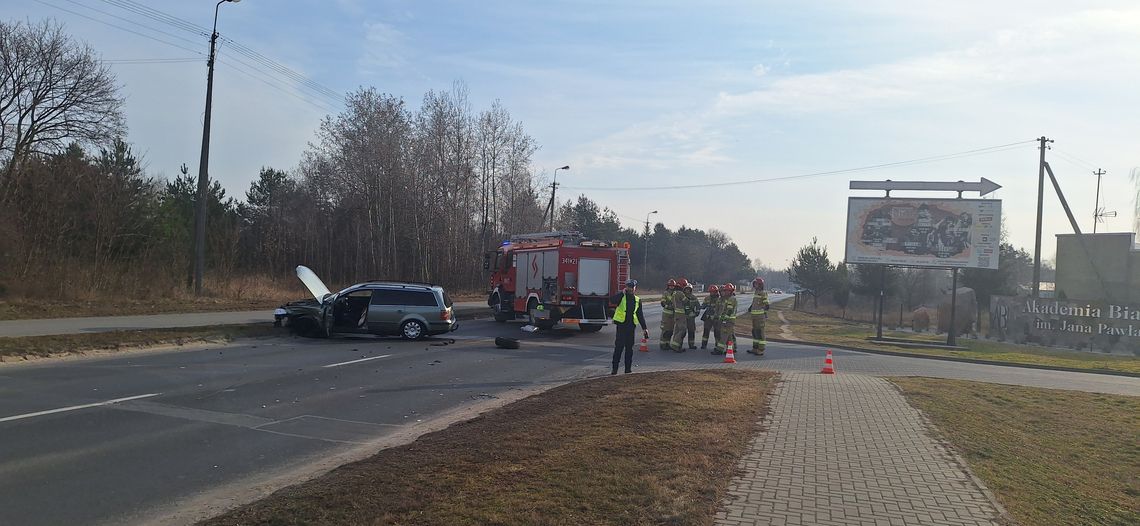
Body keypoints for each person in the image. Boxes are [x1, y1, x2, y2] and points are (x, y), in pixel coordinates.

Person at [611, 279, 649, 374]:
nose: (630, 289)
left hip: (631, 327)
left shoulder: (637, 300)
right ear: (626, 287)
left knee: (629, 348)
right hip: (621, 326)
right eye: (628, 286)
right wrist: (621, 293)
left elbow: (640, 315)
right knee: (619, 347)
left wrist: (645, 328)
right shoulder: (621, 297)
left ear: (635, 288)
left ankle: (628, 370)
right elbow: (612, 300)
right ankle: (614, 369)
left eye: (632, 287)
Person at [748, 277, 770, 356]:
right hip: (754, 316)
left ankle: (761, 349)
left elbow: (766, 304)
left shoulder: (763, 293)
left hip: (760, 317)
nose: (755, 285)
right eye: (754, 284)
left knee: (760, 333)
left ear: (760, 284)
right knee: (755, 332)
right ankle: (755, 348)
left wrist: (765, 308)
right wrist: (751, 307)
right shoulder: (756, 292)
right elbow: (755, 303)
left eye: (756, 284)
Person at [669, 278, 691, 352]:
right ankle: (675, 345)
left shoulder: (674, 293)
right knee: (682, 330)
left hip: (676, 314)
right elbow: (686, 301)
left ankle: (676, 345)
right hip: (681, 314)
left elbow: (672, 303)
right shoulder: (680, 293)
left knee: (677, 330)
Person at [716, 282, 738, 355]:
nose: (726, 292)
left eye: (728, 291)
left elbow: (729, 310)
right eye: (726, 290)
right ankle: (732, 348)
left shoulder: (731, 299)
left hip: (728, 320)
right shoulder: (728, 299)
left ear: (731, 291)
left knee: (724, 334)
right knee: (729, 336)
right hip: (729, 320)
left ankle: (719, 350)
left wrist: (723, 318)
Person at [659, 278, 677, 350]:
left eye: (673, 286)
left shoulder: (676, 293)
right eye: (670, 286)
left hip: (673, 314)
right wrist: (668, 306)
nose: (671, 287)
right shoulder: (665, 293)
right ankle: (662, 344)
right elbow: (662, 302)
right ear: (668, 286)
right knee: (665, 330)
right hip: (666, 315)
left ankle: (667, 343)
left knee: (670, 330)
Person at [700, 285, 720, 350]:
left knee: (717, 332)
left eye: (713, 292)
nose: (712, 293)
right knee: (706, 331)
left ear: (716, 292)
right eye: (711, 292)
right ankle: (704, 345)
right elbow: (703, 306)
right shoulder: (707, 298)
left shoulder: (719, 299)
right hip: (708, 318)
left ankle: (717, 345)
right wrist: (700, 306)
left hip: (716, 318)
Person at [683, 282, 700, 350]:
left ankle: (691, 344)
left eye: (689, 289)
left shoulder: (693, 297)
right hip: (683, 317)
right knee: (681, 332)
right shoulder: (682, 297)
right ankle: (679, 344)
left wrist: (696, 313)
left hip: (691, 317)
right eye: (686, 289)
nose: (687, 291)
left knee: (691, 331)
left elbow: (698, 306)